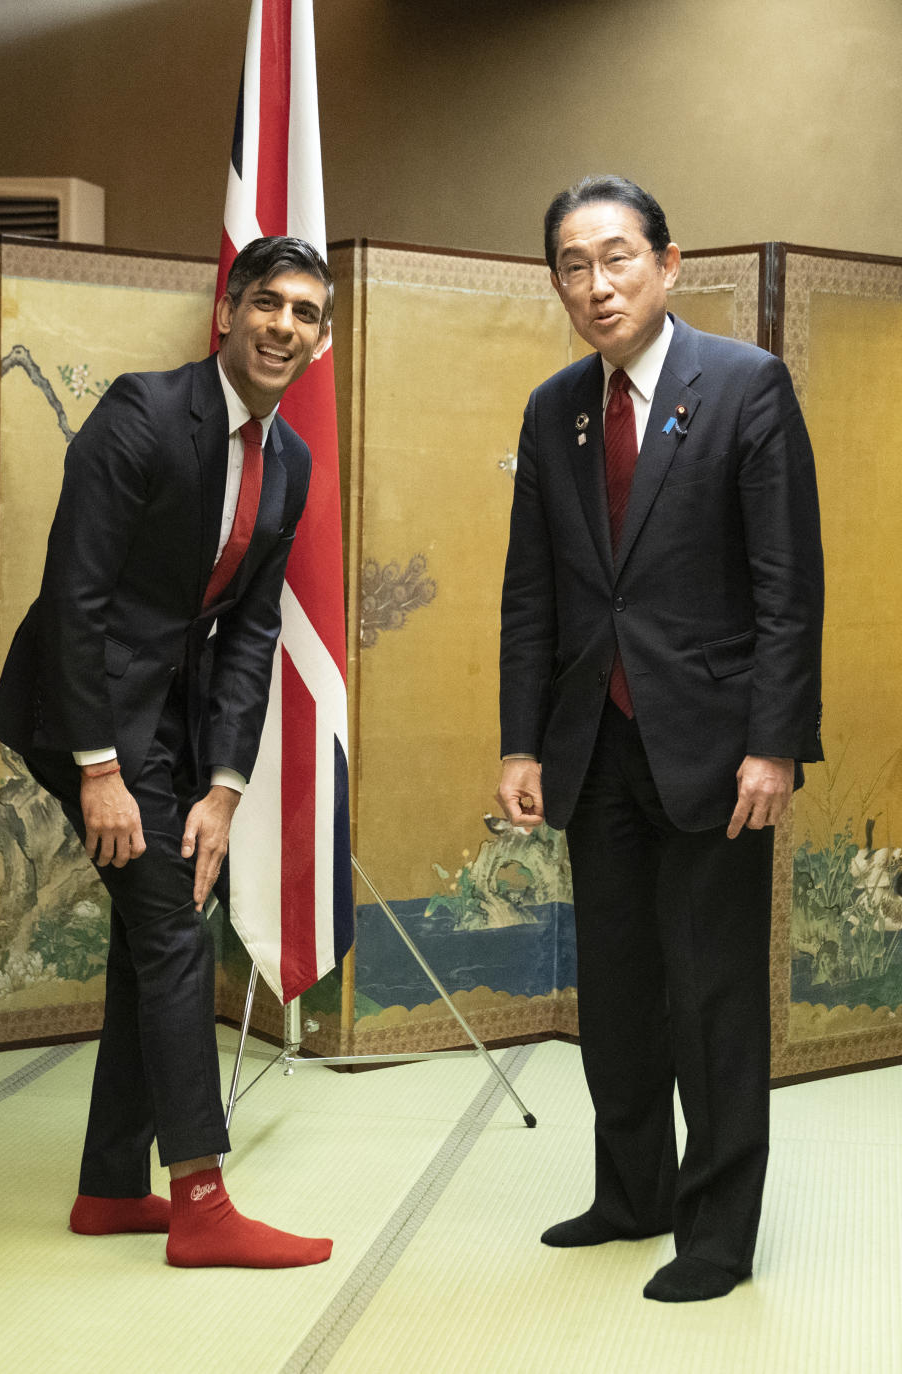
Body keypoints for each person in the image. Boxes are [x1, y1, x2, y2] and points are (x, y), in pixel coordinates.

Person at [497, 177, 824, 1302]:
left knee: (715, 996)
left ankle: (718, 1234)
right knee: (619, 993)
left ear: (668, 263)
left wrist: (775, 744)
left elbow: (790, 587)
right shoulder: (554, 410)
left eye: (618, 257)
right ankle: (630, 1194)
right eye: (574, 266)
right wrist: (520, 743)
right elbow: (530, 595)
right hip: (594, 744)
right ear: (556, 282)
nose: (599, 284)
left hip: (720, 750)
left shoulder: (744, 386)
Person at [0, 236, 336, 1270]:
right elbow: (76, 599)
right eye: (266, 303)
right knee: (174, 925)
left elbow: (255, 631)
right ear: (227, 312)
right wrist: (99, 769)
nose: (283, 325)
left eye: (306, 313)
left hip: (172, 719)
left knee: (165, 923)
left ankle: (107, 1185)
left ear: (321, 340)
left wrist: (225, 787)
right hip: (80, 705)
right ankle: (201, 1199)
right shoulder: (141, 413)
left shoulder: (292, 461)